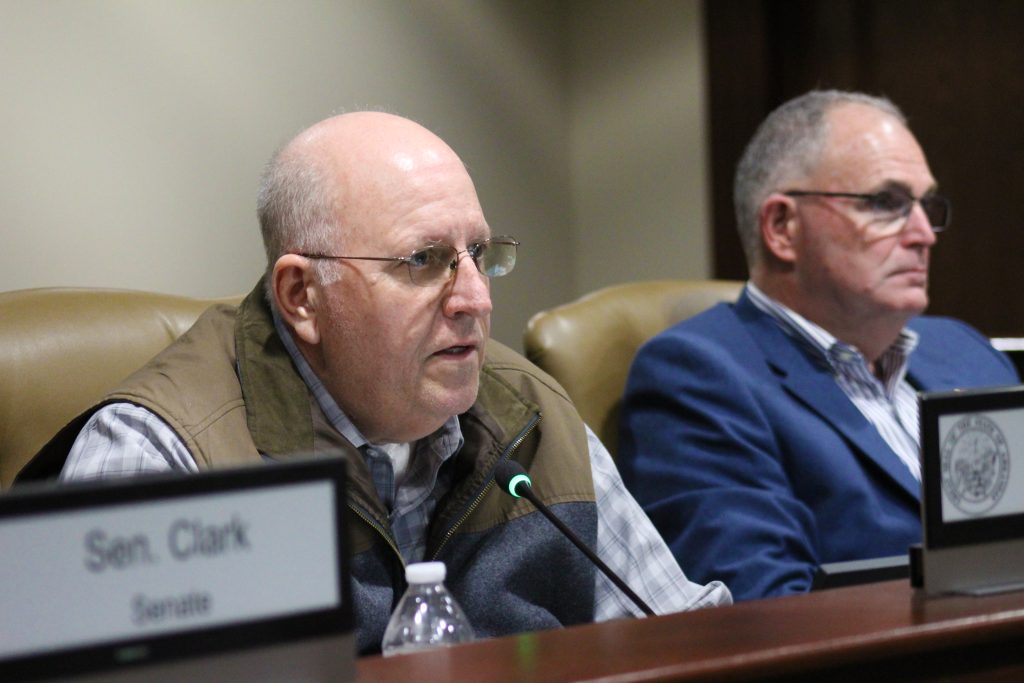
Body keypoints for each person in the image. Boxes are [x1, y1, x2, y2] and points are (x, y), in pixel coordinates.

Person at [19, 111, 730, 653]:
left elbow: (689, 639)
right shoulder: (162, 452)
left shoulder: (529, 410)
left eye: (479, 254)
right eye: (424, 260)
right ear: (301, 296)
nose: (476, 299)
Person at [617, 90, 1020, 601]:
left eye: (926, 205)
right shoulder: (696, 377)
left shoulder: (966, 351)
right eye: (887, 203)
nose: (924, 235)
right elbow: (768, 610)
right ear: (782, 227)